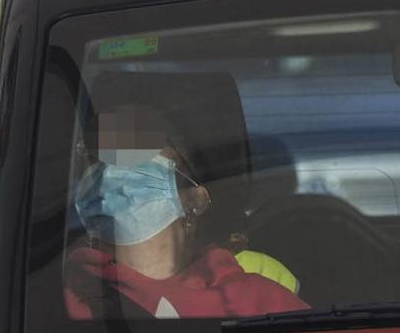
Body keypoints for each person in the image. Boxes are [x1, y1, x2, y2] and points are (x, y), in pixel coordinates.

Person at [65, 108, 306, 319]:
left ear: (194, 200)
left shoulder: (261, 298)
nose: (114, 176)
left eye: (141, 162)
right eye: (100, 162)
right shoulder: (56, 303)